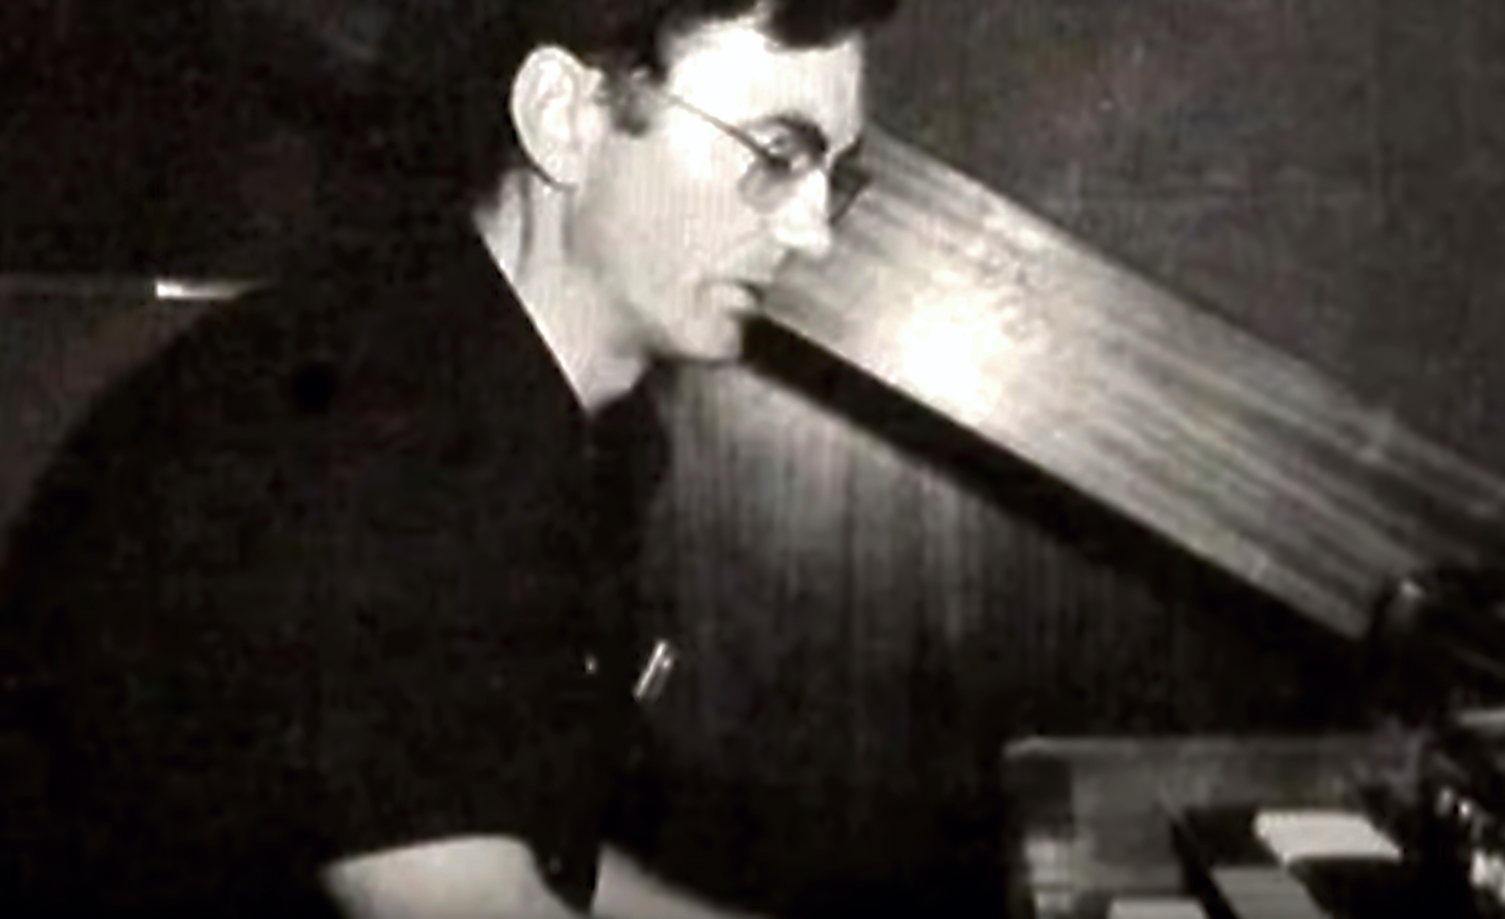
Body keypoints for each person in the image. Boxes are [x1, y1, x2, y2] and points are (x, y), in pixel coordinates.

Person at [0, 0, 899, 916]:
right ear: (563, 116)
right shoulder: (374, 432)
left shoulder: (561, 420)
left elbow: (531, 854)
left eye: (834, 174)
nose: (813, 232)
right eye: (776, 155)